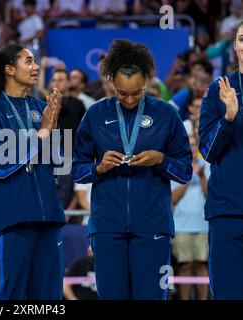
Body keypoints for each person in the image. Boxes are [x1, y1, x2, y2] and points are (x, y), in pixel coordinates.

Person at [72, 39, 193, 300]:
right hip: (107, 226)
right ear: (112, 84)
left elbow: (185, 171)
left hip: (153, 225)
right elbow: (76, 170)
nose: (128, 99)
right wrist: (99, 167)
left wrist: (161, 160)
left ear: (147, 82)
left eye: (136, 93)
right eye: (122, 93)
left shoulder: (166, 115)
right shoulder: (95, 114)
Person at [0, 44, 66, 300]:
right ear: (10, 69)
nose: (36, 68)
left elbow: (57, 161)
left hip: (48, 216)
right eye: (29, 61)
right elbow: (0, 165)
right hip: (11, 219)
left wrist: (54, 129)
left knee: (49, 299)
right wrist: (43, 133)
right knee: (11, 296)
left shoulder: (40, 107)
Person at [199, 21, 243, 300]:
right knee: (228, 294)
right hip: (228, 212)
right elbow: (208, 151)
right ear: (236, 46)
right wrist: (228, 119)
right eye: (242, 38)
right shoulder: (219, 89)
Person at [171, 133, 209, 300]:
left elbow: (211, 195)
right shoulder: (175, 167)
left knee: (202, 265)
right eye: (190, 146)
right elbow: (172, 199)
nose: (192, 149)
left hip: (203, 225)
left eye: (195, 146)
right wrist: (187, 178)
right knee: (184, 266)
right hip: (181, 225)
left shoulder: (207, 166)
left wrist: (201, 176)